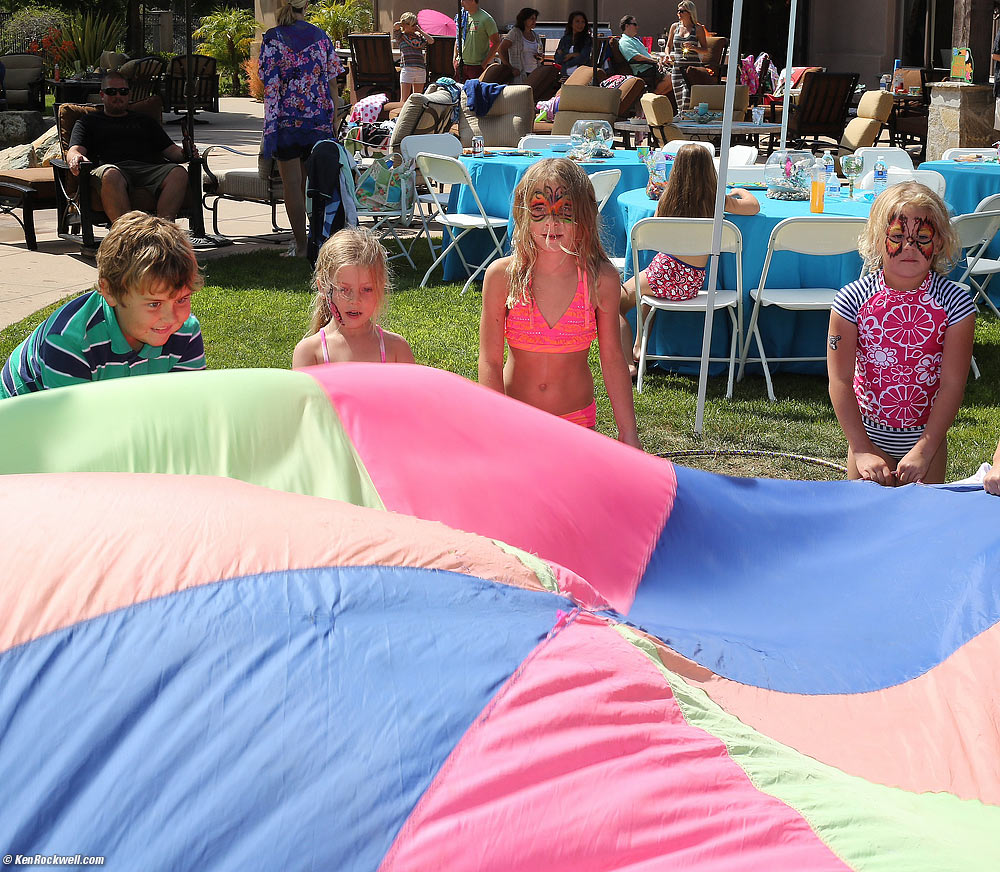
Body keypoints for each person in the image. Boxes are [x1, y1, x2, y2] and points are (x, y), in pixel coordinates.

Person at [479, 158, 639, 446]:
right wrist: (494, 423)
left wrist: (628, 431)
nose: (551, 222)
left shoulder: (599, 279)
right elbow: (490, 360)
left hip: (577, 423)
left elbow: (613, 359)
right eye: (539, 209)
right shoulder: (503, 276)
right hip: (514, 419)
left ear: (584, 215)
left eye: (565, 210)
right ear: (523, 214)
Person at [827, 182, 975, 486]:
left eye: (922, 237)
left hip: (927, 439)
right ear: (877, 239)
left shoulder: (956, 305)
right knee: (865, 514)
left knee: (920, 515)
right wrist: (861, 449)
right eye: (897, 236)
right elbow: (840, 380)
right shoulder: (851, 301)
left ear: (939, 241)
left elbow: (952, 384)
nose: (909, 246)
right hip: (868, 435)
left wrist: (924, 450)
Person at [1, 212, 205, 399]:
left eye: (181, 299)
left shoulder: (185, 331)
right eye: (154, 304)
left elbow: (187, 405)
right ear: (110, 292)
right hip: (24, 410)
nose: (171, 317)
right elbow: (73, 422)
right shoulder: (69, 341)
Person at [618, 143, 759, 374]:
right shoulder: (716, 200)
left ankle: (628, 365)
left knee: (615, 305)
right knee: (646, 296)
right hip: (692, 282)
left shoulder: (666, 200)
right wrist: (739, 191)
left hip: (662, 276)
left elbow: (656, 234)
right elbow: (753, 206)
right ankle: (639, 347)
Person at [259, 0, 344, 258]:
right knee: (314, 186)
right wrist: (334, 116)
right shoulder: (320, 37)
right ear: (305, 5)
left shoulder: (273, 39)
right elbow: (333, 83)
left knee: (292, 185)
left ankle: (301, 245)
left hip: (286, 122)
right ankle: (318, 238)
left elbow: (268, 83)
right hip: (317, 121)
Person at [65, 72, 196, 223]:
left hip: (147, 169)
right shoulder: (88, 122)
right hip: (110, 168)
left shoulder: (145, 121)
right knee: (111, 174)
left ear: (129, 94)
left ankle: (162, 229)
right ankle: (127, 233)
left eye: (123, 91)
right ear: (102, 95)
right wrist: (75, 158)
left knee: (178, 173)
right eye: (111, 92)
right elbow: (74, 150)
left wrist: (186, 152)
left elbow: (170, 150)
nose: (118, 96)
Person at [292, 227, 414, 367]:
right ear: (323, 287)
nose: (355, 300)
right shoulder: (310, 352)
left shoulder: (396, 349)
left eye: (366, 289)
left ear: (380, 288)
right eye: (344, 289)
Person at [666, 1, 709, 110]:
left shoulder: (698, 29)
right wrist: (667, 55)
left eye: (682, 11)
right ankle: (683, 120)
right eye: (678, 11)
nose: (678, 13)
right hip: (677, 69)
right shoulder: (674, 27)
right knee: (680, 103)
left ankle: (686, 119)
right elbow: (668, 46)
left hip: (691, 70)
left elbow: (705, 50)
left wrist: (693, 47)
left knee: (687, 100)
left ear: (690, 13)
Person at [617, 14, 667, 91]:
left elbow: (646, 54)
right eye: (634, 24)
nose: (637, 27)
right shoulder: (624, 41)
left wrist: (658, 60)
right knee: (672, 78)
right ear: (627, 26)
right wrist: (655, 61)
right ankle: (652, 96)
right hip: (644, 70)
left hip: (651, 66)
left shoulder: (635, 39)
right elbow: (637, 57)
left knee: (676, 73)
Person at [453, 0, 500, 79]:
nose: (461, 2)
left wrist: (484, 64)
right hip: (460, 64)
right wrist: (455, 58)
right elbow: (458, 38)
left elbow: (496, 42)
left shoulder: (486, 19)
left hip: (477, 66)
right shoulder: (462, 17)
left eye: (464, 0)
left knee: (475, 87)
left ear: (472, 1)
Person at [393, 12, 434, 102]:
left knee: (418, 99)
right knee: (404, 100)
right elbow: (396, 26)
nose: (414, 26)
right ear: (405, 25)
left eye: (415, 23)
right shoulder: (401, 36)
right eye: (412, 24)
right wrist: (402, 24)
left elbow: (431, 40)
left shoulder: (419, 37)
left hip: (420, 69)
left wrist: (420, 30)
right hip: (407, 69)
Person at [497, 7, 542, 86]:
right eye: (532, 19)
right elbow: (501, 49)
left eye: (535, 19)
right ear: (524, 20)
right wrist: (510, 68)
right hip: (519, 74)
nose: (534, 21)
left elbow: (540, 55)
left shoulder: (536, 36)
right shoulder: (515, 33)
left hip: (534, 73)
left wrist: (540, 57)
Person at [553, 11, 593, 79]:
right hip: (565, 75)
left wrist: (567, 59)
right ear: (571, 24)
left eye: (583, 22)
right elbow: (557, 58)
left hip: (581, 75)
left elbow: (583, 58)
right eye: (577, 21)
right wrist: (574, 55)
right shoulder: (565, 39)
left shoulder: (587, 39)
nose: (580, 24)